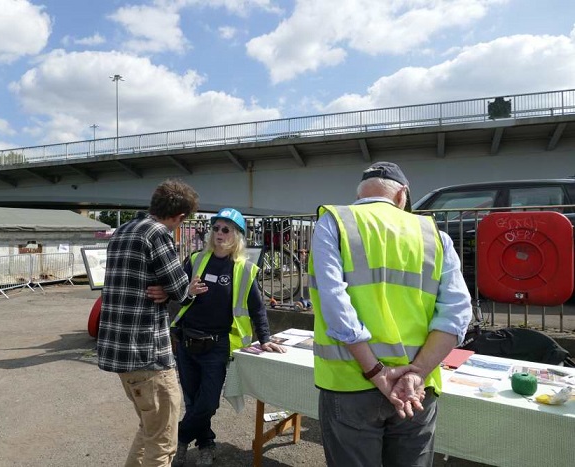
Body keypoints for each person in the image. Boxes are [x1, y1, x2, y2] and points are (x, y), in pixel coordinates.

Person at [309, 162, 473, 467]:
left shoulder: (336, 222)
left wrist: (376, 372)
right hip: (417, 390)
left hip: (349, 382)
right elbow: (457, 313)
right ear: (402, 195)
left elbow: (336, 305)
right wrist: (416, 372)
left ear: (359, 195)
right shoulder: (434, 235)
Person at [170, 208, 286, 467]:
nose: (219, 234)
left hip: (217, 345)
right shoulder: (196, 259)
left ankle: (177, 437)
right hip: (187, 341)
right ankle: (206, 444)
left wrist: (265, 337)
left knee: (208, 403)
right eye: (216, 228)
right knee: (193, 401)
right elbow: (176, 292)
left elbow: (257, 309)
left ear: (237, 236)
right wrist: (186, 290)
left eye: (226, 229)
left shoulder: (244, 269)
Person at [96, 179, 200, 467]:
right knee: (163, 443)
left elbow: (140, 281)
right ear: (179, 217)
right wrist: (171, 289)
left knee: (149, 429)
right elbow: (181, 288)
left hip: (120, 354)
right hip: (148, 355)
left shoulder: (124, 231)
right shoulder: (157, 234)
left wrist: (163, 289)